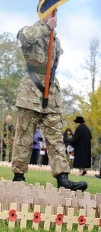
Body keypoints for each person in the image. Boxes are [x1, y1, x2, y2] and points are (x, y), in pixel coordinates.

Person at [11, 11, 87, 191]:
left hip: (51, 92)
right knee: (24, 137)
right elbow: (24, 37)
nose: (55, 14)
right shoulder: (31, 30)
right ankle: (19, 176)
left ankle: (63, 178)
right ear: (42, 12)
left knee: (55, 137)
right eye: (51, 10)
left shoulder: (56, 39)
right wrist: (46, 27)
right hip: (31, 92)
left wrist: (50, 30)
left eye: (56, 11)